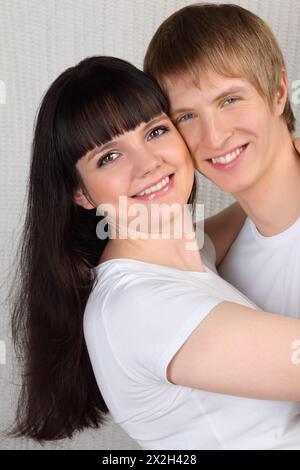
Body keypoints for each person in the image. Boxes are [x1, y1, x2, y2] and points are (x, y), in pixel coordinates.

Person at [10, 56, 300, 450]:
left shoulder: (181, 252)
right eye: (109, 157)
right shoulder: (136, 306)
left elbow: (251, 208)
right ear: (80, 192)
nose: (148, 164)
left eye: (155, 131)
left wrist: (280, 153)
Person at [144, 3, 300, 317]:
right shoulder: (215, 267)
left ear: (279, 91)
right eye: (187, 116)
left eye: (230, 100)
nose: (214, 137)